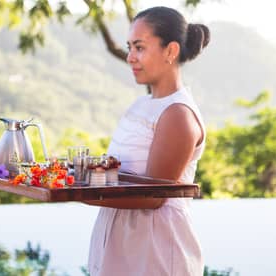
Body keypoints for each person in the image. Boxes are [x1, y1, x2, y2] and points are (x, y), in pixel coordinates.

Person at [84, 6, 210, 276]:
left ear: (171, 51)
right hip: (120, 242)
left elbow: (153, 197)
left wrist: (79, 190)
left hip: (156, 251)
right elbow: (119, 173)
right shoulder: (141, 105)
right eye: (130, 47)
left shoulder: (178, 114)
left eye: (139, 47)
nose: (130, 57)